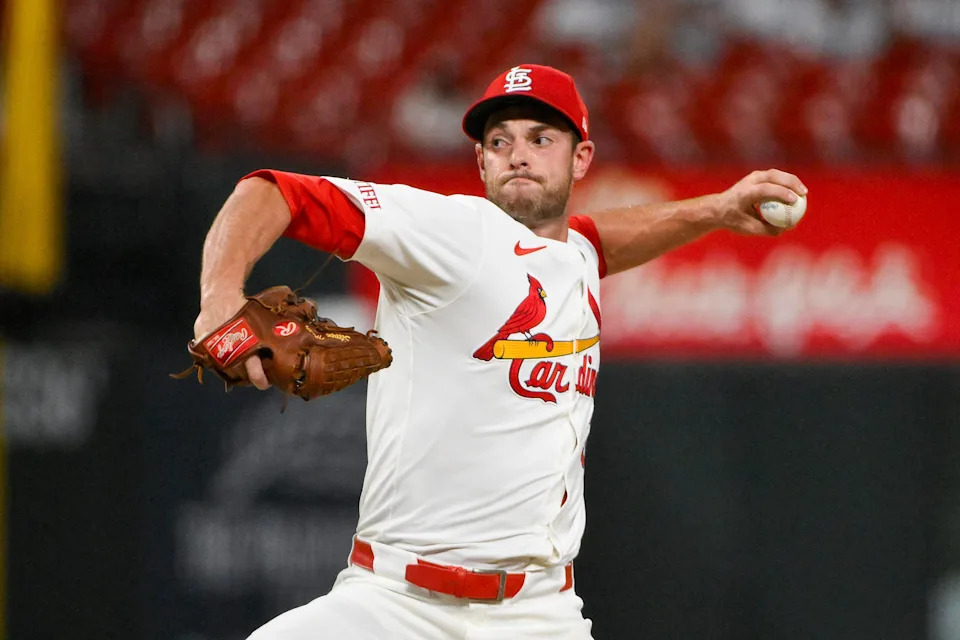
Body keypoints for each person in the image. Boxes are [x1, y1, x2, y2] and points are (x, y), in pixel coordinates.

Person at [193, 64, 808, 639]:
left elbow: (598, 238)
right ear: (481, 163)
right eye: (499, 141)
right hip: (395, 606)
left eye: (542, 138)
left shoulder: (577, 258)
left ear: (581, 157)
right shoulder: (452, 233)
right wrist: (220, 294)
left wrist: (718, 208)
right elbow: (273, 192)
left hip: (539, 615)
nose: (518, 154)